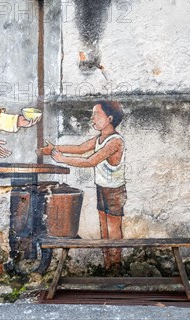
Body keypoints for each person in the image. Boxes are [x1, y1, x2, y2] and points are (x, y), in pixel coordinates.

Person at [37, 101, 126, 270]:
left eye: (96, 114)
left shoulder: (115, 141)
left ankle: (116, 265)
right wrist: (54, 148)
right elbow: (80, 148)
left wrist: (63, 159)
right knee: (104, 227)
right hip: (102, 187)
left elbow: (91, 160)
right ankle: (108, 265)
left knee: (113, 227)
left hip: (114, 191)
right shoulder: (100, 138)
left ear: (110, 118)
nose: (92, 118)